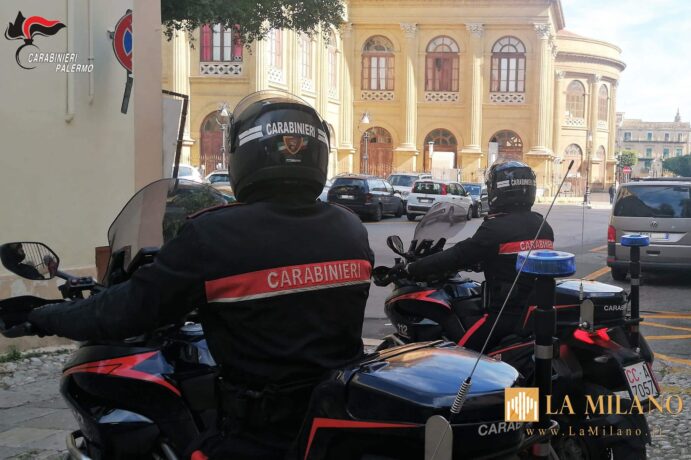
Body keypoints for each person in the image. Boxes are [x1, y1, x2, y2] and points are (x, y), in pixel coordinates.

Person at [26, 91, 374, 459]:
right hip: (335, 426)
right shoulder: (350, 228)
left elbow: (126, 310)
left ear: (243, 154)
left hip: (258, 438)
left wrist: (43, 316)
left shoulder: (215, 236)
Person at [398, 161, 554, 350]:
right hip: (532, 311)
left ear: (498, 190)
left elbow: (458, 255)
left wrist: (412, 268)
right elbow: (510, 260)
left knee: (461, 351)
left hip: (504, 315)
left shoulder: (496, 228)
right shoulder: (542, 225)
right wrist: (482, 262)